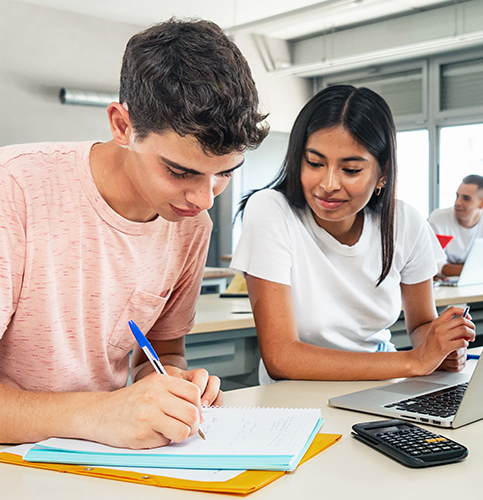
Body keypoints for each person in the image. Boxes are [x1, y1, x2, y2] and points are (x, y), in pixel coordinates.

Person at [0, 18, 268, 448]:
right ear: (123, 126)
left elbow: (161, 352)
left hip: (106, 458)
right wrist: (106, 412)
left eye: (224, 174)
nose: (204, 199)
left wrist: (172, 384)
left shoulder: (190, 227)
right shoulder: (13, 189)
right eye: (180, 171)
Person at [231, 85, 475, 385]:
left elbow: (422, 324)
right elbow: (282, 358)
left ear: (382, 174)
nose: (329, 184)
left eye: (350, 169)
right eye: (315, 163)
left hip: (383, 385)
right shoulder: (271, 210)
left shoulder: (405, 222)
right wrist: (414, 360)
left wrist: (441, 345)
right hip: (295, 399)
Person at [429, 175, 483, 277]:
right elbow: (435, 266)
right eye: (457, 196)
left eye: (466, 199)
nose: (457, 202)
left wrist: (453, 268)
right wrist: (474, 269)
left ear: (481, 203)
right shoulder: (438, 219)